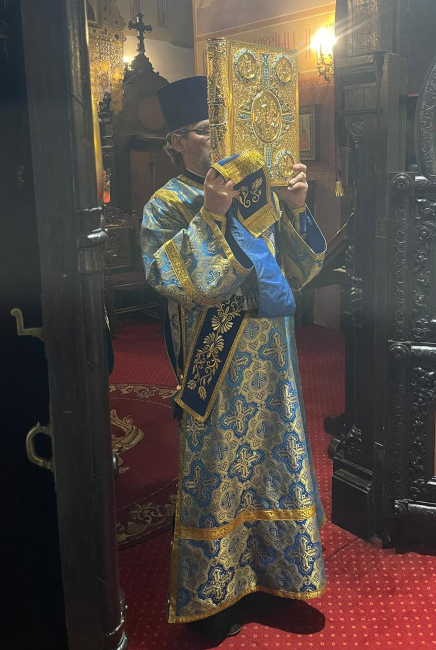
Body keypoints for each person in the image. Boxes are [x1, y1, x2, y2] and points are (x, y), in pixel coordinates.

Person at [140, 76, 327, 640]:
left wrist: (295, 209)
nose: (217, 141)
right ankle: (215, 592)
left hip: (270, 354)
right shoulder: (166, 204)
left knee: (274, 453)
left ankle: (277, 574)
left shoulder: (257, 196)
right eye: (205, 131)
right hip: (216, 358)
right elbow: (168, 275)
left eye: (222, 129)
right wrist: (210, 216)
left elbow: (296, 273)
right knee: (219, 466)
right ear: (177, 142)